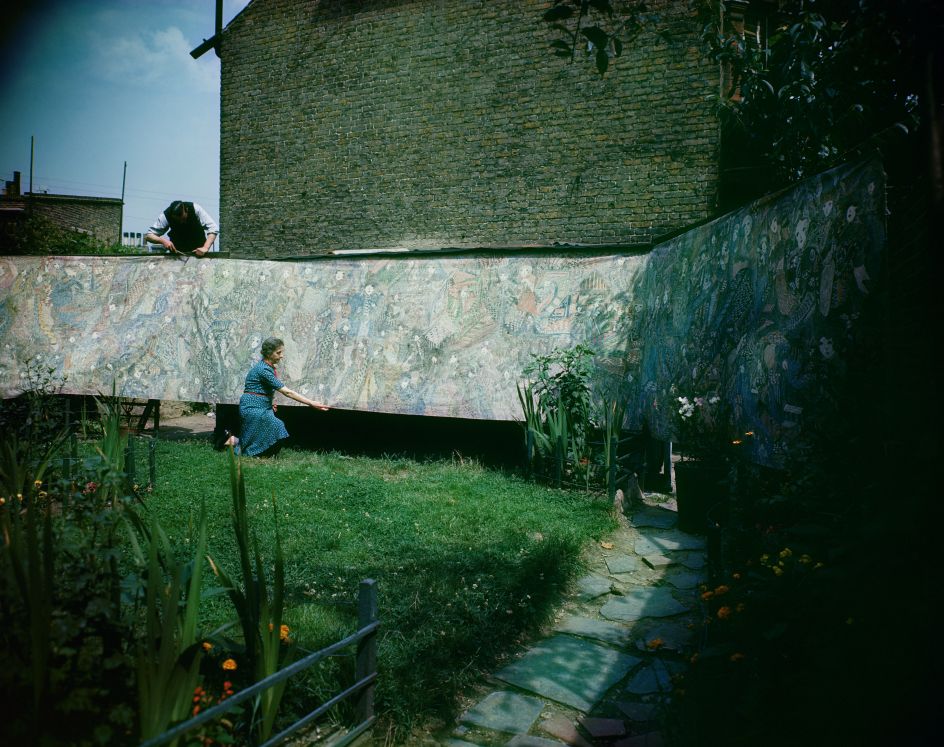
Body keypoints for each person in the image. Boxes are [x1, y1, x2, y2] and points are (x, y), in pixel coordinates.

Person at [237, 337, 329, 457]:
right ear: (269, 353)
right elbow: (287, 392)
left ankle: (251, 450)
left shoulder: (266, 367)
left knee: (270, 428)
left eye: (281, 352)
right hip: (252, 407)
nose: (282, 356)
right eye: (278, 352)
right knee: (276, 426)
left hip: (261, 406)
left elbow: (262, 389)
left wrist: (269, 402)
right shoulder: (263, 369)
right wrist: (311, 403)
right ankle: (253, 452)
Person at [144, 200, 219, 257]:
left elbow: (213, 228)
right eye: (178, 220)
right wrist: (163, 241)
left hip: (199, 254)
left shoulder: (195, 208)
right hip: (177, 256)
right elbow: (149, 236)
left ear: (186, 210)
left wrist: (205, 248)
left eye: (183, 219)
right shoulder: (166, 216)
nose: (181, 222)